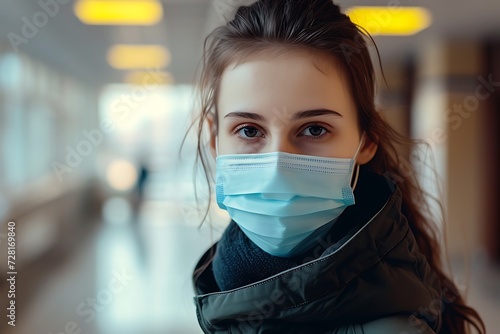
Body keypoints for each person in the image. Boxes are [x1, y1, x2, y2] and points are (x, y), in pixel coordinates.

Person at [189, 0, 485, 332]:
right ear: (215, 140)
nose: (277, 167)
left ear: (367, 140)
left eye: (314, 129)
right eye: (249, 130)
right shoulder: (225, 283)